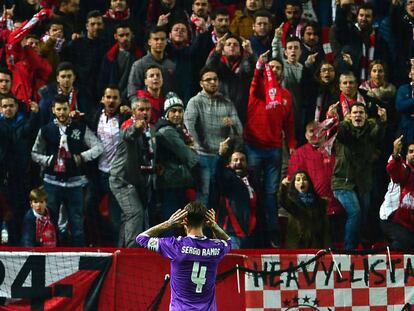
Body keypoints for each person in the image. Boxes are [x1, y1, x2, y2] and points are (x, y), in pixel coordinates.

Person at [31, 94, 103, 246]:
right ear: (53, 110)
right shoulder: (46, 130)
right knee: (51, 223)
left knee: (77, 225)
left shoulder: (80, 128)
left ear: (69, 108)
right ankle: (54, 259)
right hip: (52, 182)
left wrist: (81, 157)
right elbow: (34, 153)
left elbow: (98, 147)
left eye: (65, 109)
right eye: (59, 109)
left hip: (74, 183)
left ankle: (79, 260)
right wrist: (48, 161)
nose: (62, 112)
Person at [136, 202, 231, 311]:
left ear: (184, 221)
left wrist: (169, 223)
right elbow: (228, 241)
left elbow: (141, 238)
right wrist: (214, 226)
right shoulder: (216, 248)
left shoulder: (176, 246)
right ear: (206, 221)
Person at [244, 51, 295, 247]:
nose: (274, 70)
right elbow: (255, 80)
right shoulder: (257, 90)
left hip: (274, 149)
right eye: (271, 67)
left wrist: (291, 144)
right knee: (255, 192)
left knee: (271, 193)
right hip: (254, 147)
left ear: (282, 72)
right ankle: (256, 234)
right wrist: (259, 65)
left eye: (278, 68)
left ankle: (273, 234)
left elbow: (289, 123)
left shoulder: (286, 96)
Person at [328, 102, 387, 249]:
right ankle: (349, 250)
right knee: (355, 212)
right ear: (349, 117)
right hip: (343, 182)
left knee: (363, 216)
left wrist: (383, 121)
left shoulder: (370, 132)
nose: (358, 115)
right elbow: (338, 132)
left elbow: (378, 134)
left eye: (361, 112)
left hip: (363, 183)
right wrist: (332, 117)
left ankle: (361, 244)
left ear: (366, 116)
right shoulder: (344, 129)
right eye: (355, 113)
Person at [184, 66, 242, 207]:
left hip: (222, 157)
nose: (212, 82)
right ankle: (199, 228)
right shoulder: (194, 102)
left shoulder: (227, 103)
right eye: (208, 79)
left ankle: (219, 227)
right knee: (204, 194)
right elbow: (189, 128)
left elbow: (240, 131)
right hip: (202, 156)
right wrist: (202, 146)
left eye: (215, 79)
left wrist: (232, 123)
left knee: (221, 196)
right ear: (201, 83)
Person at [109, 97, 154, 247]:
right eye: (141, 110)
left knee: (128, 217)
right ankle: (131, 252)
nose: (145, 113)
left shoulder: (150, 129)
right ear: (134, 112)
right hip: (121, 179)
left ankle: (121, 251)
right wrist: (137, 127)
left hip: (136, 180)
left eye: (147, 109)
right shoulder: (130, 124)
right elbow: (127, 134)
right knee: (135, 213)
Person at [155, 92, 198, 222]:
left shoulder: (177, 129)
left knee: (178, 218)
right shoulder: (167, 131)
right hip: (170, 181)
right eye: (173, 111)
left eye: (180, 111)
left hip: (177, 180)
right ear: (166, 113)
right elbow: (189, 155)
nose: (177, 114)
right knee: (172, 219)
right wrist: (194, 153)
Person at [216, 137, 256, 249]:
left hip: (251, 233)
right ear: (229, 164)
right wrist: (220, 155)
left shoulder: (253, 180)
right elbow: (218, 176)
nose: (239, 163)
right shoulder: (228, 179)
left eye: (242, 160)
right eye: (235, 160)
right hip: (231, 233)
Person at [279, 170, 331, 249]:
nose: (301, 182)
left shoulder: (319, 202)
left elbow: (325, 228)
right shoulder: (292, 201)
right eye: (298, 179)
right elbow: (282, 200)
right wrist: (283, 187)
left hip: (315, 245)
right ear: (294, 183)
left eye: (304, 179)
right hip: (297, 245)